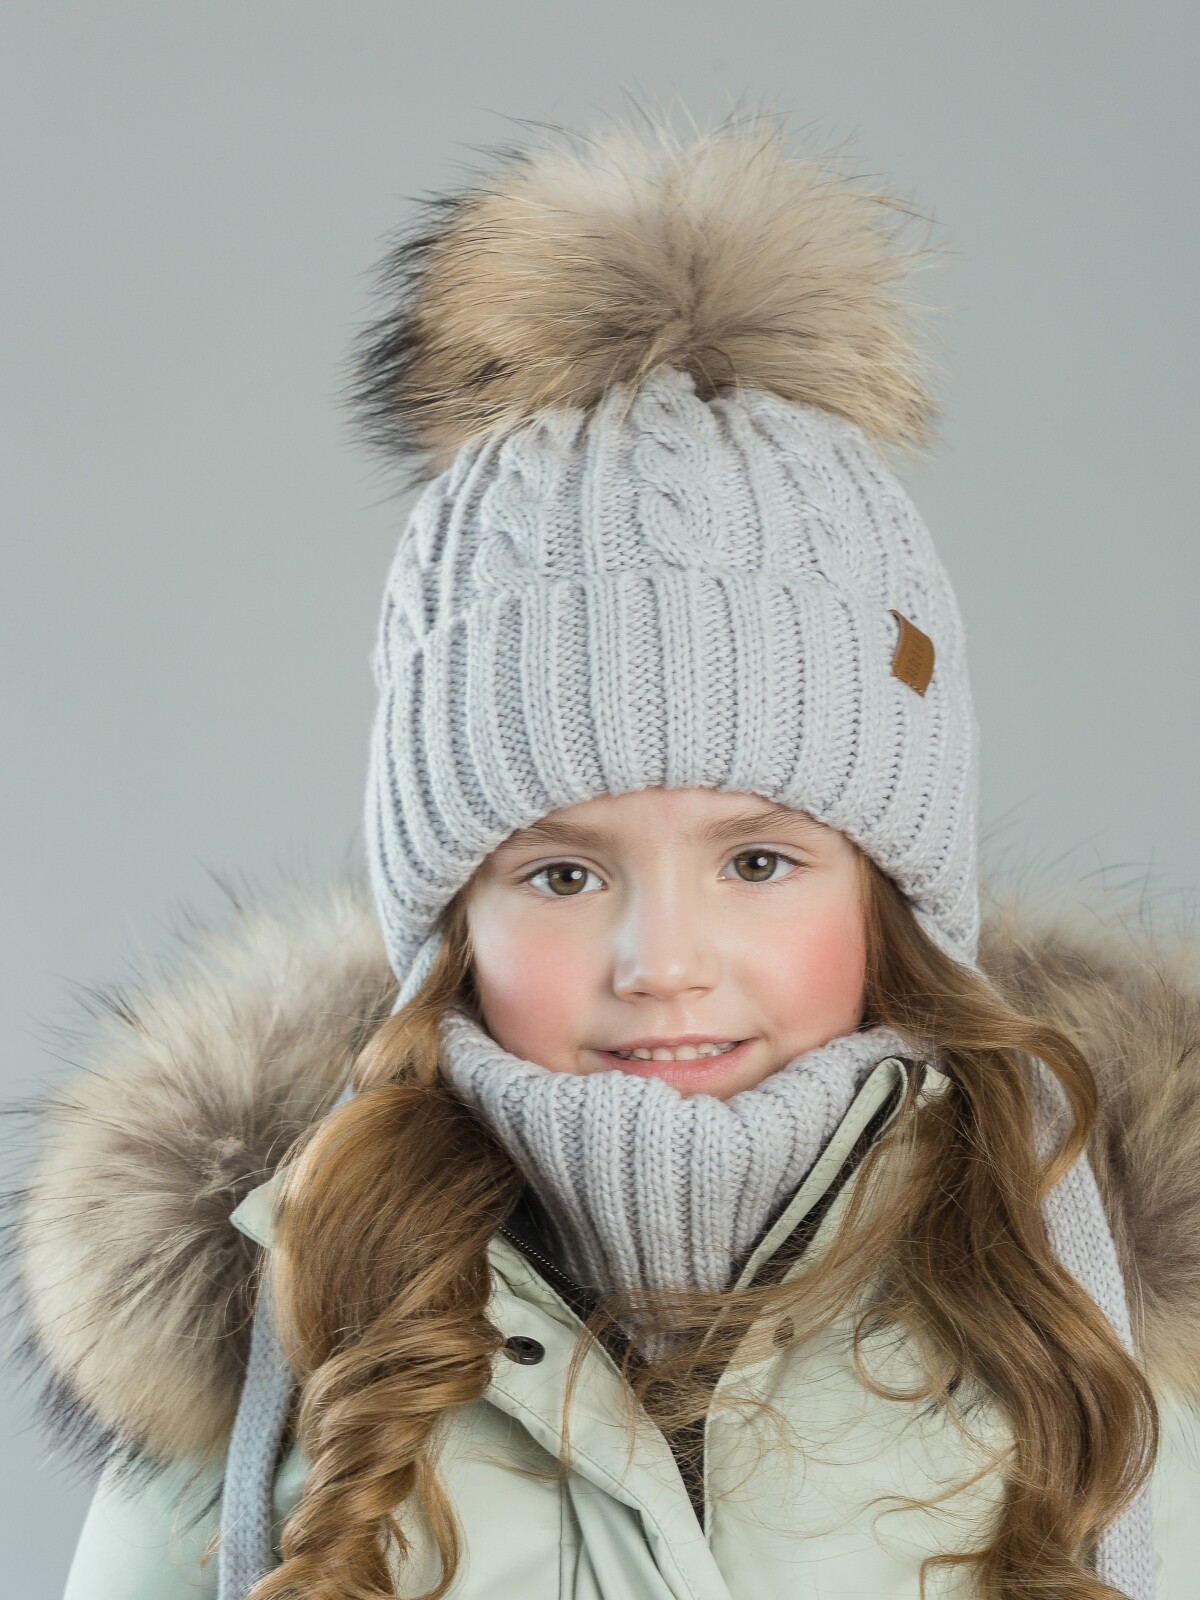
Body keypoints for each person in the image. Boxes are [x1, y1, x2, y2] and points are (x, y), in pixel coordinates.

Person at [9, 109, 1200, 1600]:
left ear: (894, 893)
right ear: (450, 915)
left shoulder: (1098, 1352)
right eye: (563, 875)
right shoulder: (280, 1356)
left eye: (758, 863)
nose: (664, 963)